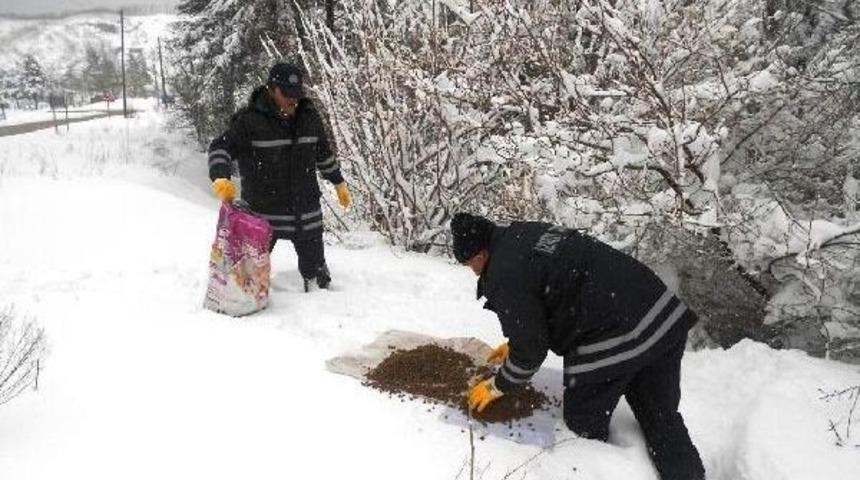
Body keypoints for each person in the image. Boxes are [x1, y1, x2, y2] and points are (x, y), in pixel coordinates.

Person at [453, 213, 705, 480]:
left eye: (470, 263)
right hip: (659, 315)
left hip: (611, 333)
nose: (473, 270)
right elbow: (549, 290)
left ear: (480, 255)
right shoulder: (522, 233)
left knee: (582, 426)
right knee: (661, 417)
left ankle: (596, 468)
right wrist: (516, 343)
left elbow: (531, 352)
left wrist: (498, 385)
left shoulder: (505, 273)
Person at [207, 62, 351, 292]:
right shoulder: (249, 121)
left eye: (296, 94)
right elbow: (220, 149)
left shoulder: (309, 117)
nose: (292, 100)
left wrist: (338, 181)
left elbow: (323, 154)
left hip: (306, 214)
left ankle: (318, 298)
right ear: (271, 89)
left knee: (320, 285)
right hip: (262, 216)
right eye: (286, 94)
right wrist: (220, 177)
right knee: (246, 283)